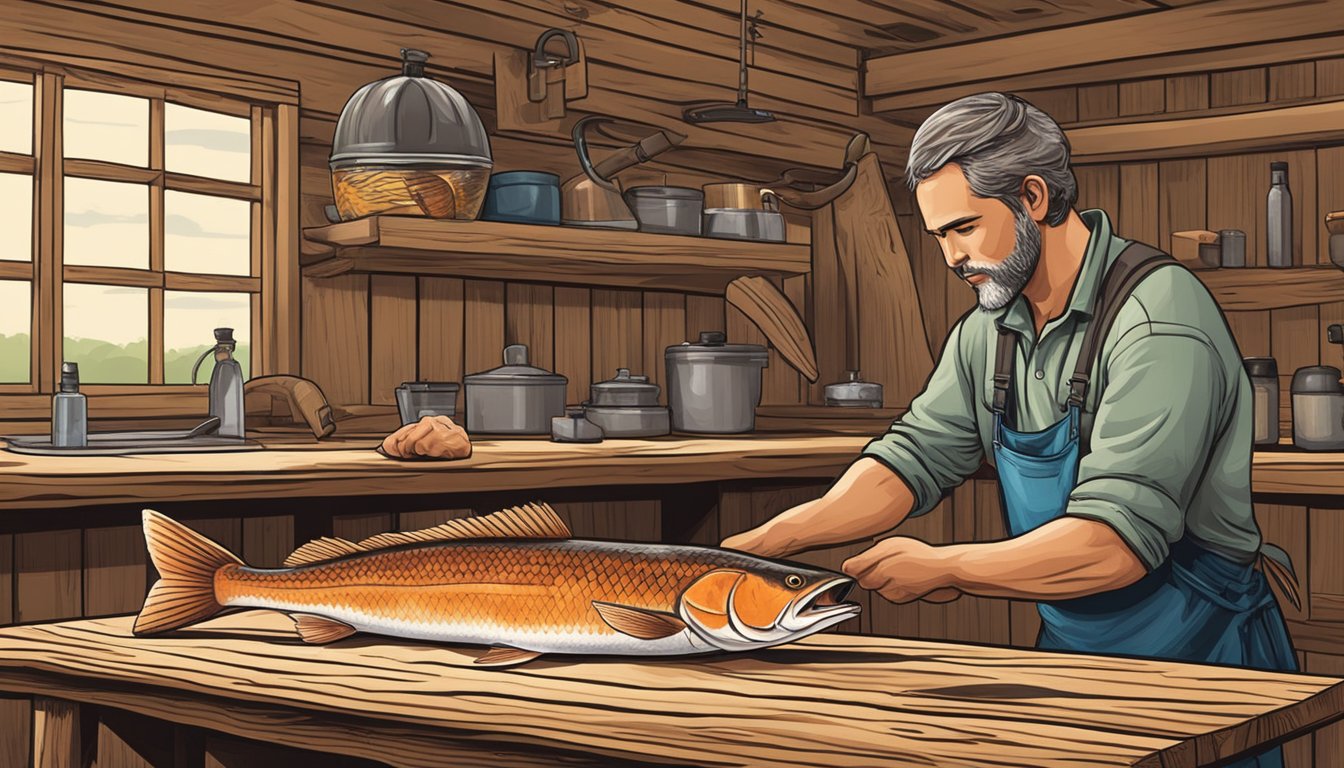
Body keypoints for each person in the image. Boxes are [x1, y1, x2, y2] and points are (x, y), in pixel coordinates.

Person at [721, 92, 1297, 767]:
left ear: (1032, 197)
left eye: (964, 228)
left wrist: (946, 566)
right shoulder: (988, 332)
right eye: (939, 236)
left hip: (1205, 676)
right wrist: (771, 542)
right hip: (1074, 667)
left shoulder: (1157, 320)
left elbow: (1114, 546)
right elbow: (912, 461)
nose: (951, 258)